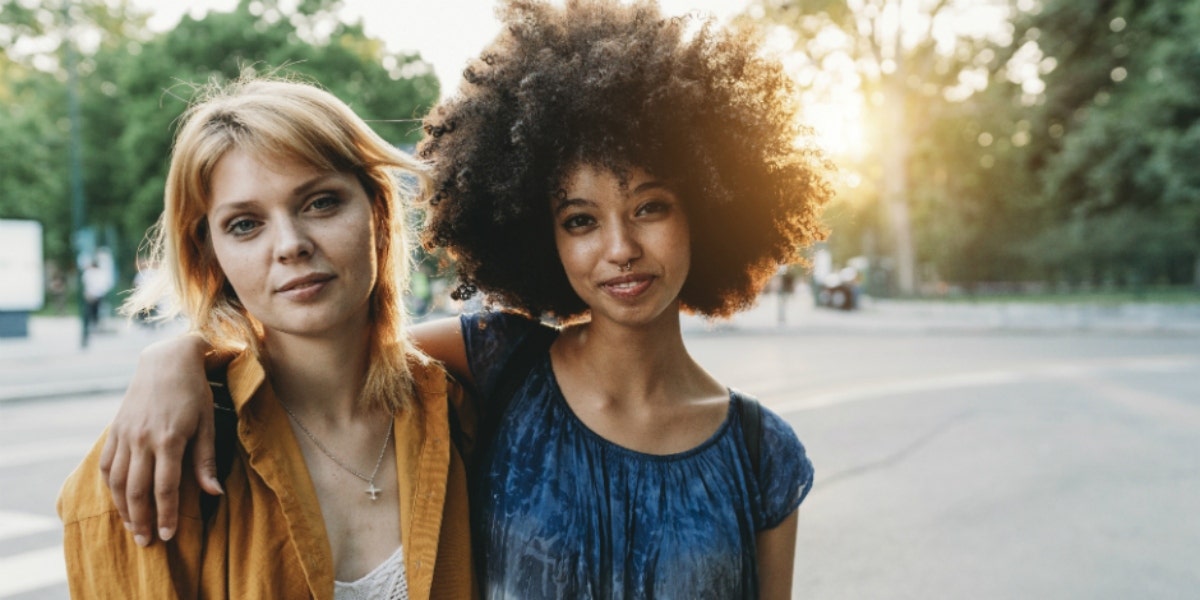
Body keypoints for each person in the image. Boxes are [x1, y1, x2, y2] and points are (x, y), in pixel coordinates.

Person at [102, 1, 834, 597]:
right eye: (580, 220)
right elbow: (325, 351)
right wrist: (177, 356)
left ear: (713, 206)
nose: (619, 249)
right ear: (538, 231)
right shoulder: (497, 360)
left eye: (651, 207)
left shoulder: (761, 454)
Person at [57, 76, 475, 599]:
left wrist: (183, 350)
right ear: (211, 257)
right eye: (245, 224)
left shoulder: (465, 411)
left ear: (378, 213)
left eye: (321, 202)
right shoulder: (155, 460)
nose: (291, 245)